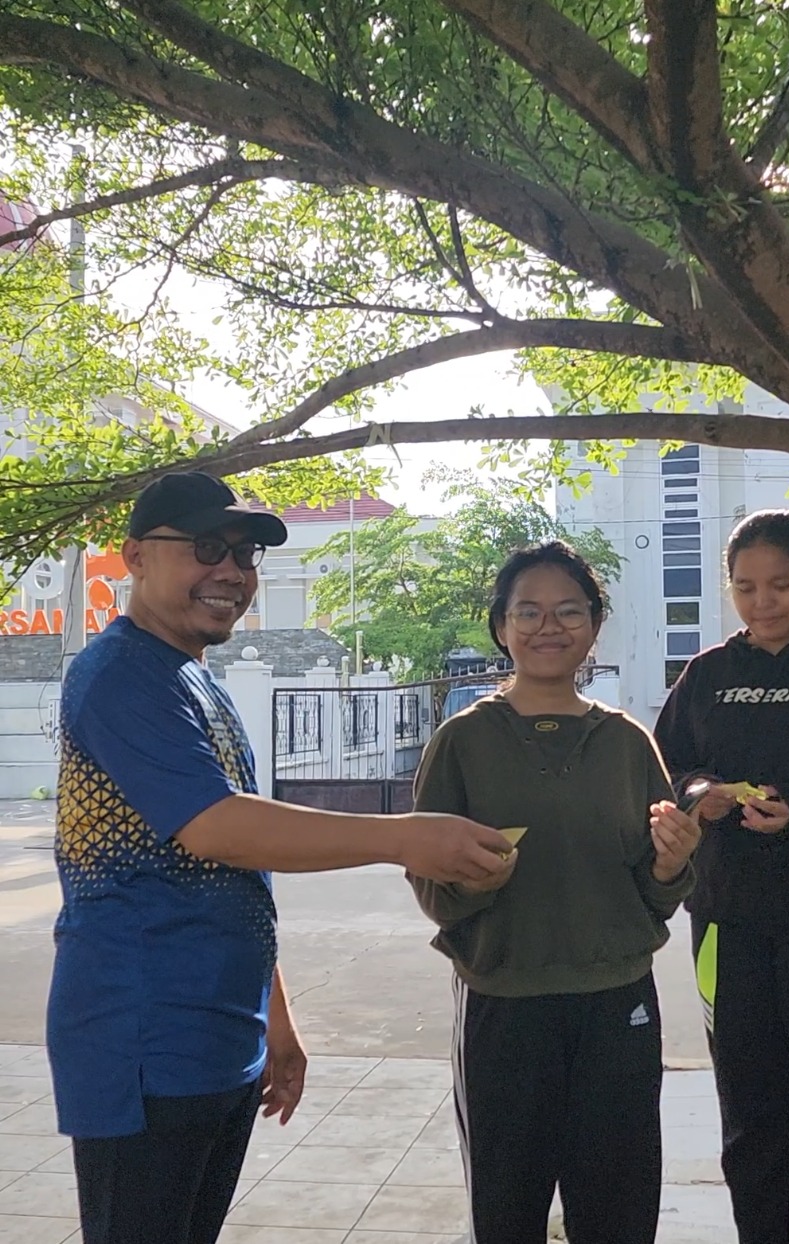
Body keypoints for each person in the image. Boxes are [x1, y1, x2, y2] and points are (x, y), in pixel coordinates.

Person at [48, 471, 511, 1244]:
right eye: (206, 549)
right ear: (135, 556)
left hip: (219, 1041)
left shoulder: (197, 679)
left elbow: (238, 869)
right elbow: (216, 828)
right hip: (143, 1045)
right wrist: (403, 836)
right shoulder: (119, 676)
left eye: (244, 555)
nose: (231, 572)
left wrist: (277, 1019)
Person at [407, 540, 700, 1244]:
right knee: (507, 1211)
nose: (549, 626)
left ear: (595, 624)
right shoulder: (462, 741)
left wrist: (672, 864)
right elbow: (431, 887)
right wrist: (473, 881)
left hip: (618, 1003)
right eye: (528, 611)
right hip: (505, 1006)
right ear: (500, 626)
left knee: (620, 1210)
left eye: (569, 610)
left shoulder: (627, 742)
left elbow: (656, 891)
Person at [654, 509, 789, 1244]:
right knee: (748, 1112)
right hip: (727, 922)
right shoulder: (708, 674)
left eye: (781, 584)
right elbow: (667, 767)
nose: (763, 602)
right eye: (745, 587)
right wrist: (699, 793)